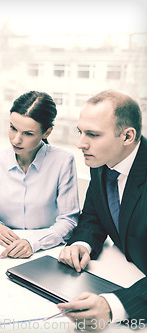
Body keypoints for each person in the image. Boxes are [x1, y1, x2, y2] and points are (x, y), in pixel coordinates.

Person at [57, 90, 147, 327]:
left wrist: (114, 307)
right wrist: (82, 243)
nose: (80, 144)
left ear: (127, 136)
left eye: (93, 134)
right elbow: (94, 215)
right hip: (121, 271)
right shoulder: (101, 161)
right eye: (80, 132)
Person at [0, 91, 79, 258]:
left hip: (46, 250)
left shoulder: (63, 161)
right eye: (13, 128)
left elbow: (68, 220)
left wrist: (34, 243)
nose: (16, 140)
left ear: (47, 132)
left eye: (28, 133)